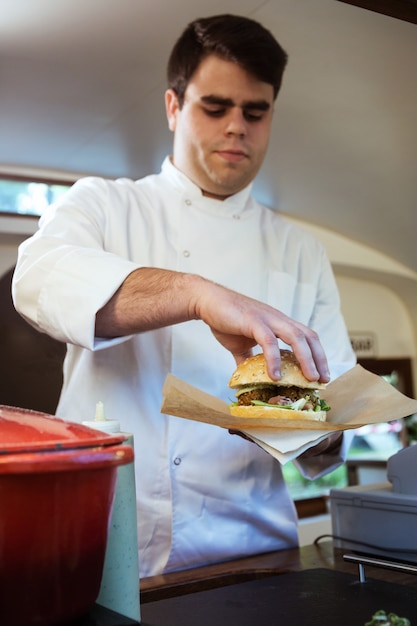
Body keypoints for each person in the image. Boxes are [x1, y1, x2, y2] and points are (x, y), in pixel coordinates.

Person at [12, 14, 356, 577]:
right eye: (214, 107)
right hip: (106, 541)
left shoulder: (301, 251)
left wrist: (316, 432)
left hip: (252, 546)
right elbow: (39, 280)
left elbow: (333, 409)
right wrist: (195, 293)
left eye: (255, 111)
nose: (236, 127)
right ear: (173, 106)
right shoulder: (104, 204)